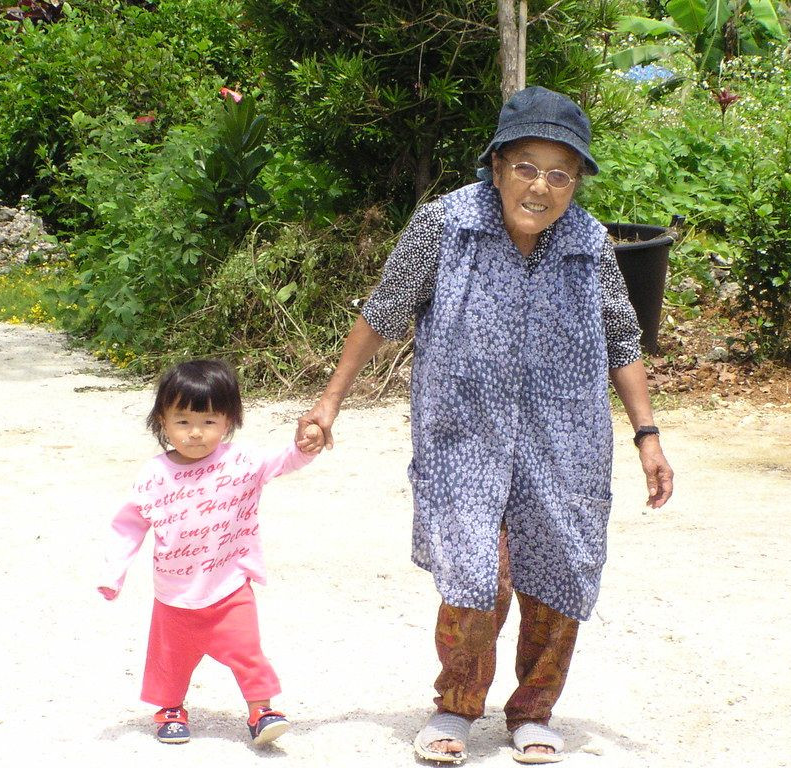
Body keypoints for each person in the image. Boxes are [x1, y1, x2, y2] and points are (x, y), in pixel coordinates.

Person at [296, 86, 674, 764]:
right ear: (497, 165)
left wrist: (648, 436)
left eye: (562, 173)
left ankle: (533, 712)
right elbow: (384, 311)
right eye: (527, 165)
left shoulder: (589, 243)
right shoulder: (446, 225)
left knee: (558, 571)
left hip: (565, 443)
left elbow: (621, 339)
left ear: (576, 182)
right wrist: (329, 402)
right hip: (463, 435)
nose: (542, 186)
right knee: (477, 574)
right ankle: (455, 707)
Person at [99, 358, 324, 745]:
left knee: (247, 651)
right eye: (182, 421)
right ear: (162, 422)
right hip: (174, 594)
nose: (195, 433)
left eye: (209, 421)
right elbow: (129, 525)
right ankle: (170, 708)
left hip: (230, 587)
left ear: (228, 422)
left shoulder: (242, 461)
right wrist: (112, 572)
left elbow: (286, 460)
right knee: (169, 661)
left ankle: (261, 710)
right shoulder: (155, 475)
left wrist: (307, 444)